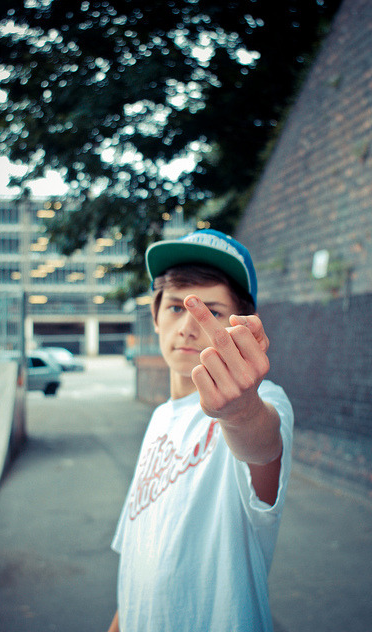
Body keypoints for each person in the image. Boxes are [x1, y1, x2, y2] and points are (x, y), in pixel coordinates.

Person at [108, 229, 294, 632]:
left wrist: (242, 411)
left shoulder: (265, 400)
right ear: (155, 316)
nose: (189, 327)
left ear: (238, 327)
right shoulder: (159, 419)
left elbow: (262, 445)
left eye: (209, 310)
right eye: (175, 307)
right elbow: (137, 562)